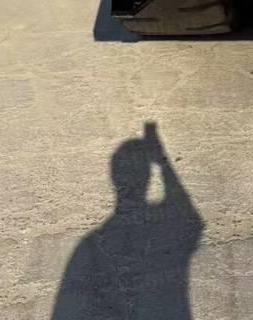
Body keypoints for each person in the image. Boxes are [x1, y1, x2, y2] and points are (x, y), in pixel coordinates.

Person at [51, 123, 203, 319]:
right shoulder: (162, 231)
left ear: (115, 179)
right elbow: (189, 219)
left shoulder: (93, 246)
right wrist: (163, 162)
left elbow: (67, 309)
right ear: (147, 178)